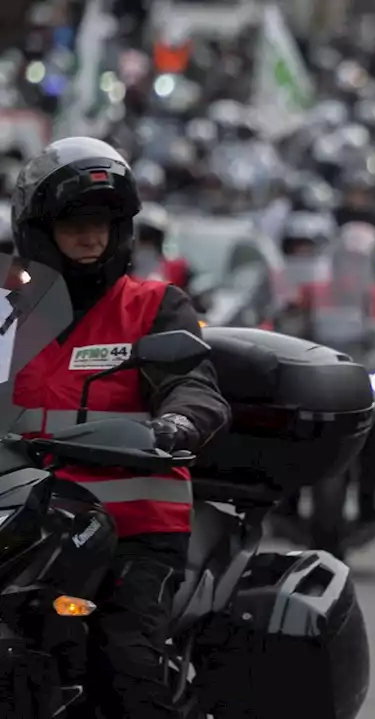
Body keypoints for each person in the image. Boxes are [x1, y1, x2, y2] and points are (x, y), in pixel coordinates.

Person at [9, 137, 230, 718]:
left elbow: (194, 384)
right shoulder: (8, 313)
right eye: (75, 223)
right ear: (38, 230)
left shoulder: (156, 307)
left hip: (132, 531)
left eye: (103, 223)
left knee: (125, 662)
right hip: (28, 523)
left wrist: (179, 422)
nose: (91, 237)